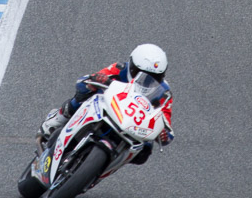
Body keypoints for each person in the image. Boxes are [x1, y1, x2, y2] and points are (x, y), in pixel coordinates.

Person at [38, 43, 174, 164]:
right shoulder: (120, 69)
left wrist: (163, 134)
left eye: (154, 77)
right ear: (132, 66)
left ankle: (105, 165)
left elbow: (166, 124)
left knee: (145, 150)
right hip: (107, 107)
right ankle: (57, 118)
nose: (147, 80)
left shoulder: (164, 92)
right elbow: (83, 82)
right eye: (141, 73)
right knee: (84, 94)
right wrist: (96, 80)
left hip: (130, 125)